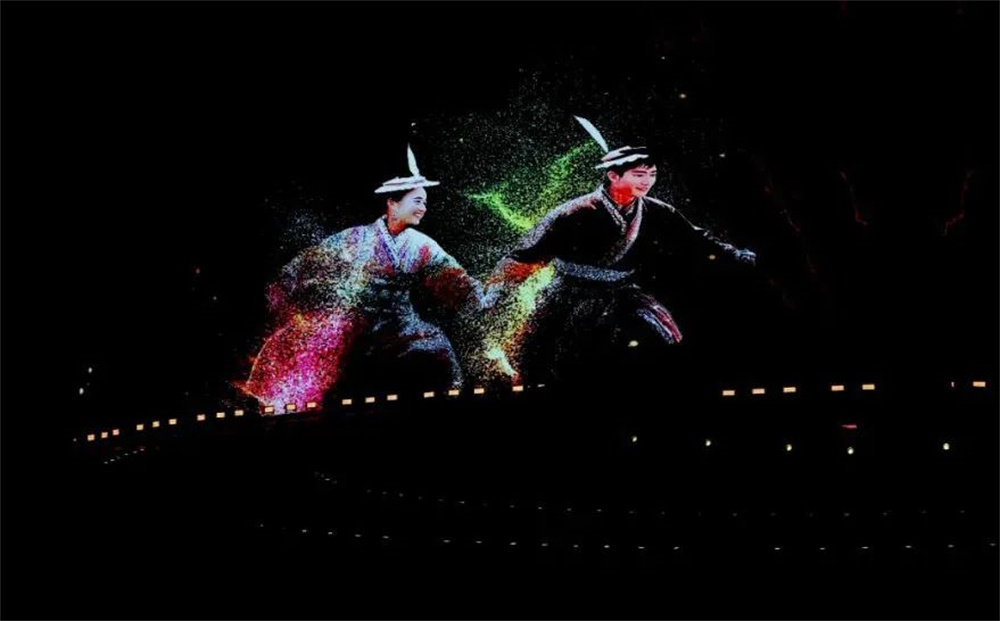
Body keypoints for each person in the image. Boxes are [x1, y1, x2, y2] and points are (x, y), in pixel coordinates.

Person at [487, 116, 756, 382]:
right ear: (613, 176)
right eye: (639, 175)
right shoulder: (574, 212)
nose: (647, 181)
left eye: (652, 175)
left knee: (661, 338)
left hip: (620, 292)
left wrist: (734, 254)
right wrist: (496, 291)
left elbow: (695, 237)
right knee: (538, 357)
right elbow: (529, 252)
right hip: (568, 294)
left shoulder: (656, 210)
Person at [245, 146, 483, 410]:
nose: (423, 208)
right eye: (417, 201)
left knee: (439, 353)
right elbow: (305, 264)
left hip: (401, 329)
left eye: (425, 202)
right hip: (354, 327)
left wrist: (483, 297)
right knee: (307, 358)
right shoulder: (355, 238)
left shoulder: (422, 245)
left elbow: (456, 279)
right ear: (392, 203)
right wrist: (283, 288)